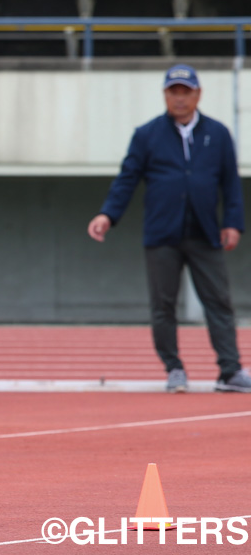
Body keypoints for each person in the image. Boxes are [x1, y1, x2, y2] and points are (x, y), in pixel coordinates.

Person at [88, 64, 251, 393]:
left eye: (185, 91)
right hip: (162, 234)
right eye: (173, 92)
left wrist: (233, 223)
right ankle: (174, 368)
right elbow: (127, 179)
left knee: (218, 301)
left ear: (197, 94)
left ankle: (230, 371)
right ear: (165, 95)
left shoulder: (217, 134)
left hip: (205, 233)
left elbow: (230, 184)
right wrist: (108, 214)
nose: (179, 98)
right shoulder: (147, 134)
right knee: (163, 305)